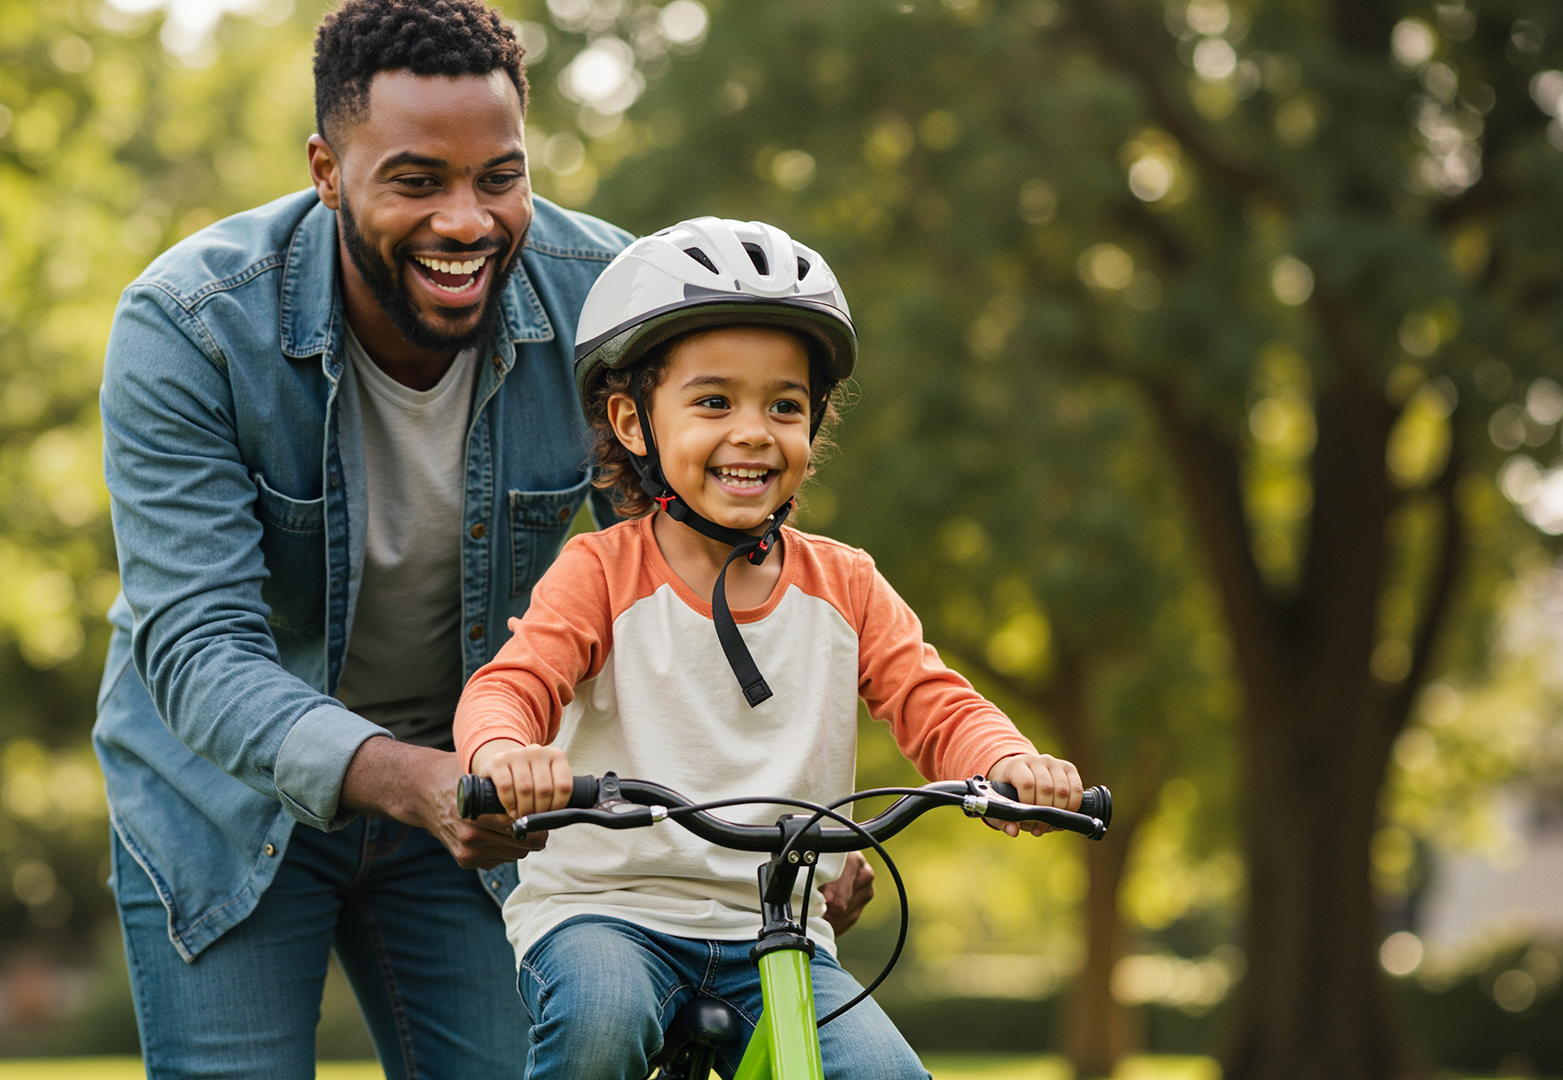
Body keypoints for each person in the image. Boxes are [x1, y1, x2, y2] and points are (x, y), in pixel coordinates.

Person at [93, 3, 874, 1077]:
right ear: (327, 172)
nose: (466, 221)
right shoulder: (190, 326)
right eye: (417, 181)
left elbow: (702, 583)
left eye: (499, 178)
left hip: (484, 800)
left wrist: (786, 823)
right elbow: (197, 649)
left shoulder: (608, 304)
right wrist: (415, 777)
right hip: (225, 798)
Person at [455, 217, 1088, 1079]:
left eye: (784, 406)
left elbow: (935, 701)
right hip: (608, 913)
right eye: (714, 402)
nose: (754, 431)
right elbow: (510, 686)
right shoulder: (601, 572)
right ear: (633, 422)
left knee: (888, 1076)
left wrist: (1009, 764)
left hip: (778, 926)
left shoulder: (845, 583)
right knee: (601, 1017)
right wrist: (505, 755)